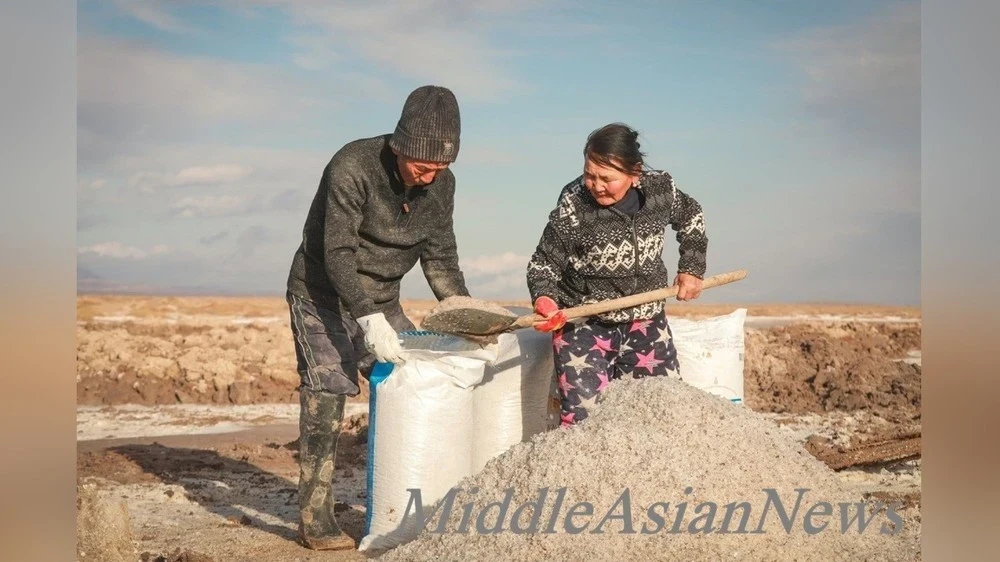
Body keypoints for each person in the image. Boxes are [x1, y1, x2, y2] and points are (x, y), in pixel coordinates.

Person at [284, 85, 473, 550]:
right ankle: (315, 518)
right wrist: (366, 318)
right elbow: (337, 251)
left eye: (440, 168)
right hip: (322, 293)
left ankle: (408, 505)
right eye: (422, 166)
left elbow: (440, 258)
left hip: (383, 300)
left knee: (413, 381)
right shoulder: (353, 166)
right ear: (399, 145)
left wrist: (466, 315)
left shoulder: (441, 184)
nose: (430, 177)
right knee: (329, 390)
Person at [526, 122, 708, 427]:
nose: (595, 186)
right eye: (589, 175)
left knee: (663, 411)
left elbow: (692, 215)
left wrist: (691, 268)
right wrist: (545, 299)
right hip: (585, 324)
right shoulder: (574, 203)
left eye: (606, 178)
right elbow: (543, 264)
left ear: (634, 173)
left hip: (646, 321)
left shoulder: (661, 190)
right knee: (584, 422)